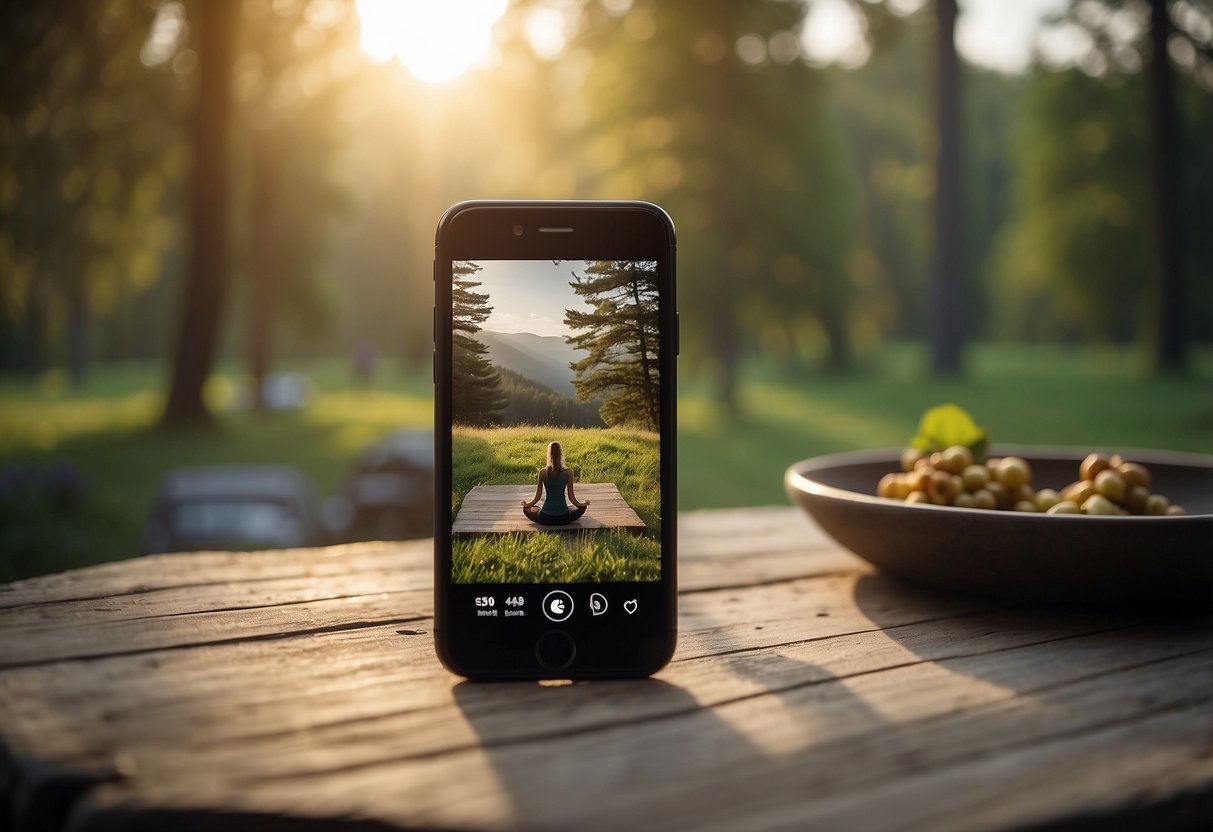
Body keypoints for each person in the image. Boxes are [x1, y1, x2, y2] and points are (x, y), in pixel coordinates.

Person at [522, 441, 589, 526]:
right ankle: (566, 510)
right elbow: (572, 498)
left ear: (549, 455)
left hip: (545, 518)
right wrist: (583, 504)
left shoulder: (542, 472)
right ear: (561, 454)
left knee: (526, 509)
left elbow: (537, 498)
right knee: (579, 508)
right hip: (564, 518)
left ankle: (540, 509)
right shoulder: (568, 472)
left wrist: (527, 504)